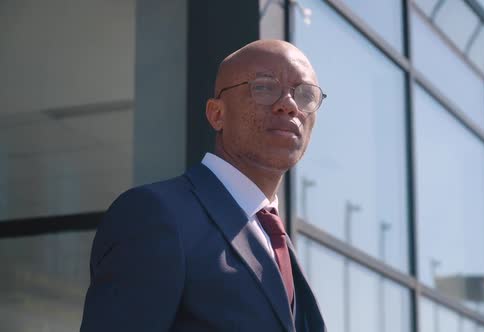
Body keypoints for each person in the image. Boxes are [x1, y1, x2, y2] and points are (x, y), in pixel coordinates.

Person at [80, 39, 327, 332]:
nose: (288, 105)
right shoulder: (155, 215)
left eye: (304, 95)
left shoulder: (277, 241)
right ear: (216, 114)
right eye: (264, 87)